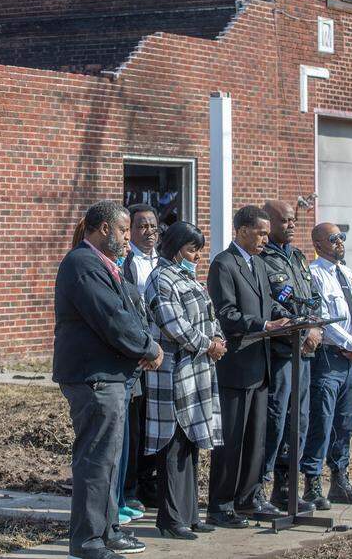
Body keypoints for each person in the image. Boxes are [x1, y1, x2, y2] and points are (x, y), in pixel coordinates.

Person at [53, 200, 165, 559]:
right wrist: (148, 347)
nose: (128, 237)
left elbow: (131, 311)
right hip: (94, 377)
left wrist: (143, 343)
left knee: (112, 461)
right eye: (122, 229)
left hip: (112, 376)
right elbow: (112, 318)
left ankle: (108, 530)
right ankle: (87, 541)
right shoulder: (82, 264)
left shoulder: (105, 265)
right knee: (96, 461)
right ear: (104, 229)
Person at [206, 205, 292, 528]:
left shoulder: (258, 263)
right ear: (242, 231)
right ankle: (221, 504)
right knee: (232, 441)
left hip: (261, 364)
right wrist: (264, 325)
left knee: (256, 438)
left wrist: (290, 318)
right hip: (236, 367)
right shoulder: (224, 265)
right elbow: (226, 314)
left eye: (267, 233)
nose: (266, 239)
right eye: (261, 233)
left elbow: (269, 304)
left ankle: (248, 498)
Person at [142, 222, 226, 540]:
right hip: (174, 375)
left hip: (197, 372)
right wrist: (209, 345)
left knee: (191, 443)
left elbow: (210, 316)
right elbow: (174, 325)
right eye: (192, 250)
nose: (197, 257)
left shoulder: (188, 278)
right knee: (173, 444)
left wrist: (217, 338)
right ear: (177, 250)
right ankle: (170, 519)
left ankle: (190, 515)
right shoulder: (160, 279)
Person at [302, 222, 352, 510]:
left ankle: (340, 480)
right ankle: (312, 484)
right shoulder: (314, 275)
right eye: (333, 239)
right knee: (321, 421)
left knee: (345, 423)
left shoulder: (349, 274)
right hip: (329, 359)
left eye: (342, 237)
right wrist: (351, 344)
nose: (340, 242)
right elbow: (321, 318)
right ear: (318, 244)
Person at [258, 200, 324, 513]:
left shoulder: (297, 257)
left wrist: (315, 328)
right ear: (269, 223)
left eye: (293, 220)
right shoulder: (262, 258)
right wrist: (300, 331)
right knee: (276, 419)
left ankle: (285, 489)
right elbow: (270, 304)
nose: (292, 225)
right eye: (285, 221)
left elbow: (313, 298)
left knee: (299, 420)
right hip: (281, 352)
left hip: (304, 354)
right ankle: (258, 487)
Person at [119, 204, 160, 514]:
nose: (149, 232)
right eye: (142, 226)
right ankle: (129, 486)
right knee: (135, 423)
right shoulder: (126, 262)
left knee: (153, 422)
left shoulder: (163, 261)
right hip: (139, 352)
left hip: (162, 353)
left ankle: (149, 481)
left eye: (153, 226)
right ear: (130, 231)